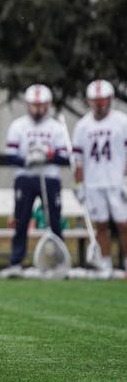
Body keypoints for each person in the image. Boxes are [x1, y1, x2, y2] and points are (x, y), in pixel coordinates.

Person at [2, 84, 70, 277]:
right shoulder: (18, 126)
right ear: (27, 104)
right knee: (21, 220)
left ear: (48, 105)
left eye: (41, 105)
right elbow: (10, 155)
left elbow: (65, 157)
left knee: (54, 220)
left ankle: (60, 261)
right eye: (34, 105)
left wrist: (48, 156)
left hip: (49, 177)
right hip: (25, 177)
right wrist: (27, 160)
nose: (38, 109)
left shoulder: (56, 127)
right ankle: (16, 262)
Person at [72, 79, 127, 279]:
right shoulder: (82, 126)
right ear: (89, 101)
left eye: (103, 100)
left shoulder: (122, 121)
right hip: (94, 183)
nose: (100, 104)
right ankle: (105, 264)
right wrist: (78, 184)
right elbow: (78, 161)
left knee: (123, 224)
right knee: (101, 225)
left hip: (117, 182)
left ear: (110, 100)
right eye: (96, 100)